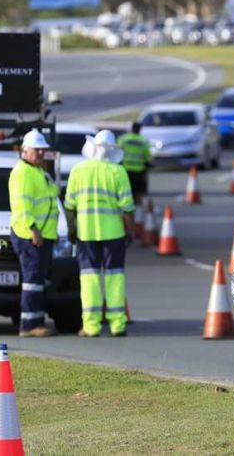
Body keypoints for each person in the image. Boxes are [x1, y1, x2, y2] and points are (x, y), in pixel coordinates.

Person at [64, 130, 135, 337]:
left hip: (86, 233)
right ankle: (117, 324)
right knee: (115, 277)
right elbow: (128, 207)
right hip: (114, 233)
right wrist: (130, 230)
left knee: (89, 279)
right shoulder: (118, 172)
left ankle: (91, 326)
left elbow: (69, 206)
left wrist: (71, 229)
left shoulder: (78, 171)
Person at [9, 129, 61, 338]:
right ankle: (28, 325)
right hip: (30, 235)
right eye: (36, 150)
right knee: (32, 281)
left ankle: (37, 322)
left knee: (38, 281)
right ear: (25, 150)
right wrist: (33, 228)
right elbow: (22, 206)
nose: (40, 153)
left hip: (42, 235)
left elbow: (49, 202)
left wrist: (52, 232)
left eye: (42, 150)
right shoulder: (23, 173)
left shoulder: (38, 172)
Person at [118, 121, 152, 203]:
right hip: (139, 170)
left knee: (127, 189)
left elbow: (118, 151)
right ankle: (138, 206)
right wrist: (148, 162)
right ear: (139, 130)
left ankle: (127, 204)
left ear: (131, 129)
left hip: (126, 169)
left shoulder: (123, 139)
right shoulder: (143, 140)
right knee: (138, 191)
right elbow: (147, 155)